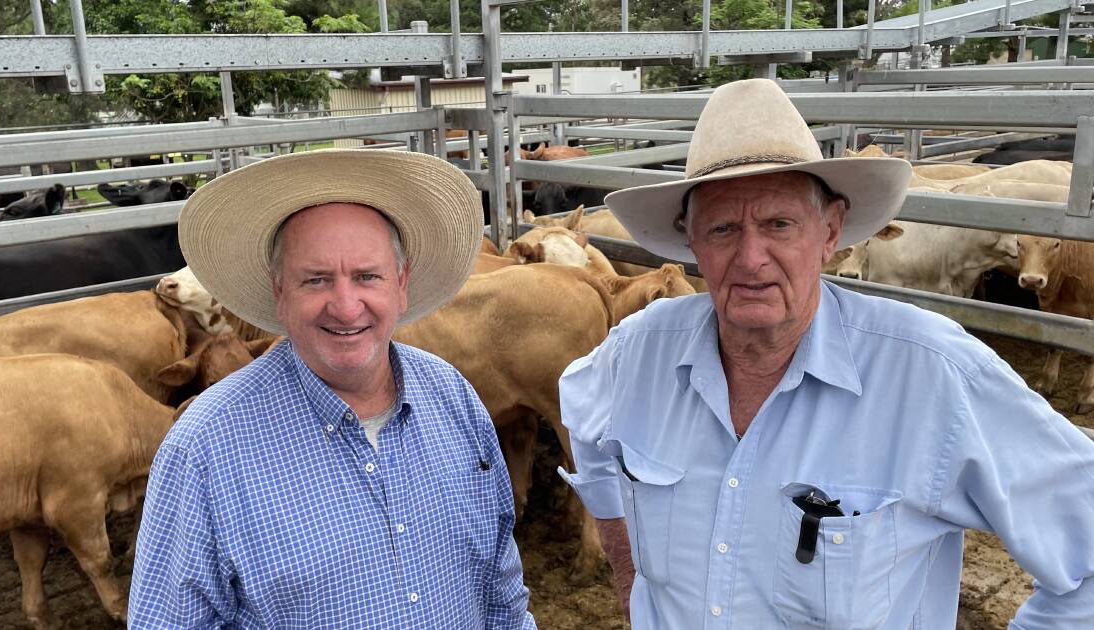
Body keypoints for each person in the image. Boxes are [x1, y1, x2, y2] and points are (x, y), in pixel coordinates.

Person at [558, 78, 1094, 628]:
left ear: (831, 231)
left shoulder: (932, 374)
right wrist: (628, 575)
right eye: (722, 229)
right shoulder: (637, 351)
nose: (751, 258)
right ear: (690, 240)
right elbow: (582, 417)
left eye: (779, 225)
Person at [128, 149, 536, 629]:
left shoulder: (454, 397)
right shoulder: (205, 448)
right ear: (279, 293)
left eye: (367, 276)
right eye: (316, 280)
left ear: (401, 285)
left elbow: (502, 593)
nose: (345, 307)